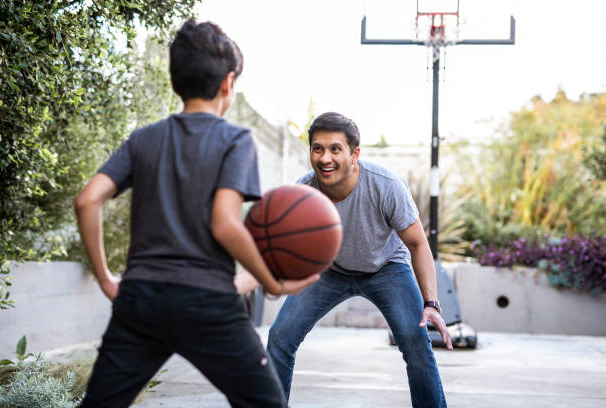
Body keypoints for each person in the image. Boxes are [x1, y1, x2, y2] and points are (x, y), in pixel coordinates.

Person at [75, 19, 318, 408]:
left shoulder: (143, 138)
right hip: (207, 303)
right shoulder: (234, 140)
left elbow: (87, 200)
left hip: (140, 302)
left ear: (176, 81)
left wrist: (106, 278)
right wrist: (269, 281)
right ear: (228, 84)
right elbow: (224, 223)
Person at [237, 112, 452, 407]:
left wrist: (431, 304)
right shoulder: (303, 193)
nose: (325, 157)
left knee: (417, 345)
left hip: (386, 267)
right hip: (329, 269)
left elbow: (417, 243)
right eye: (317, 148)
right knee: (280, 337)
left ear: (355, 154)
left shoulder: (386, 185)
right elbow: (273, 249)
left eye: (335, 149)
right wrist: (231, 287)